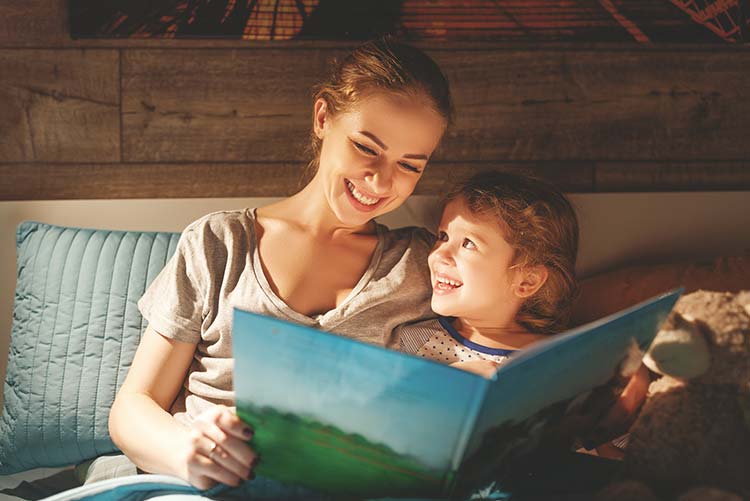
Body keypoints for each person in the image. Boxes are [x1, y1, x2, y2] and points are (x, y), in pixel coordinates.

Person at [108, 37, 452, 492]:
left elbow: (528, 305)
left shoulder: (421, 264)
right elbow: (134, 405)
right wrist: (181, 451)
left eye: (410, 166)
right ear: (323, 117)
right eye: (367, 148)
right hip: (206, 483)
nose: (381, 181)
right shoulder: (220, 243)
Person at [398, 170, 579, 379]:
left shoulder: (562, 354)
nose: (440, 253)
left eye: (468, 244)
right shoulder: (416, 342)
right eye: (443, 236)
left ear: (527, 281)